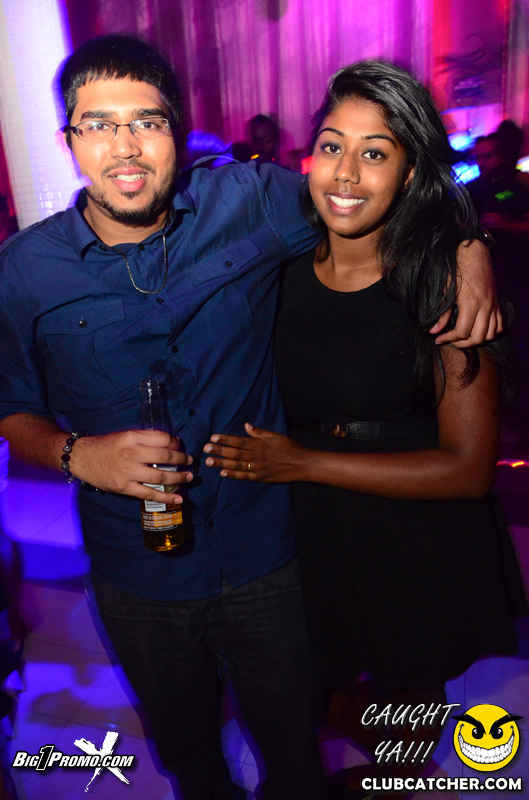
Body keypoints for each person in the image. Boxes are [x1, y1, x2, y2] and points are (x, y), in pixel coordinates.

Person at [0, 36, 499, 800]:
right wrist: (76, 454)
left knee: (294, 753)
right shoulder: (24, 271)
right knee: (188, 758)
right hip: (136, 573)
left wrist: (469, 245)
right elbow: (12, 407)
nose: (124, 147)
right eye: (98, 124)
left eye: (146, 122)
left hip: (269, 556)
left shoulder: (252, 200)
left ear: (178, 130)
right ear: (69, 140)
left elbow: (374, 188)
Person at [203, 61, 528, 795]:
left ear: (410, 173)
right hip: (302, 521)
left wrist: (302, 462)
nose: (345, 173)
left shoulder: (441, 281)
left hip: (410, 528)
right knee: (293, 687)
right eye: (331, 145)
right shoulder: (277, 267)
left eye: (374, 152)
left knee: (405, 713)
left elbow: (468, 470)